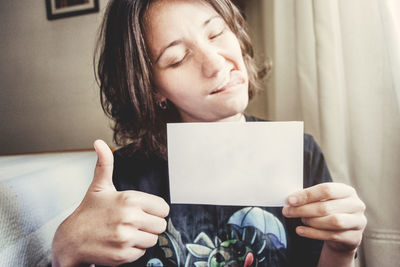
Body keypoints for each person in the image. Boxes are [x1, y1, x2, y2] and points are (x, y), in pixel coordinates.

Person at [51, 0, 367, 266]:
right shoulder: (128, 175)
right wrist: (66, 249)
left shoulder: (302, 153)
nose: (216, 64)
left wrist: (341, 249)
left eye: (216, 32)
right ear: (153, 89)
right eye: (177, 58)